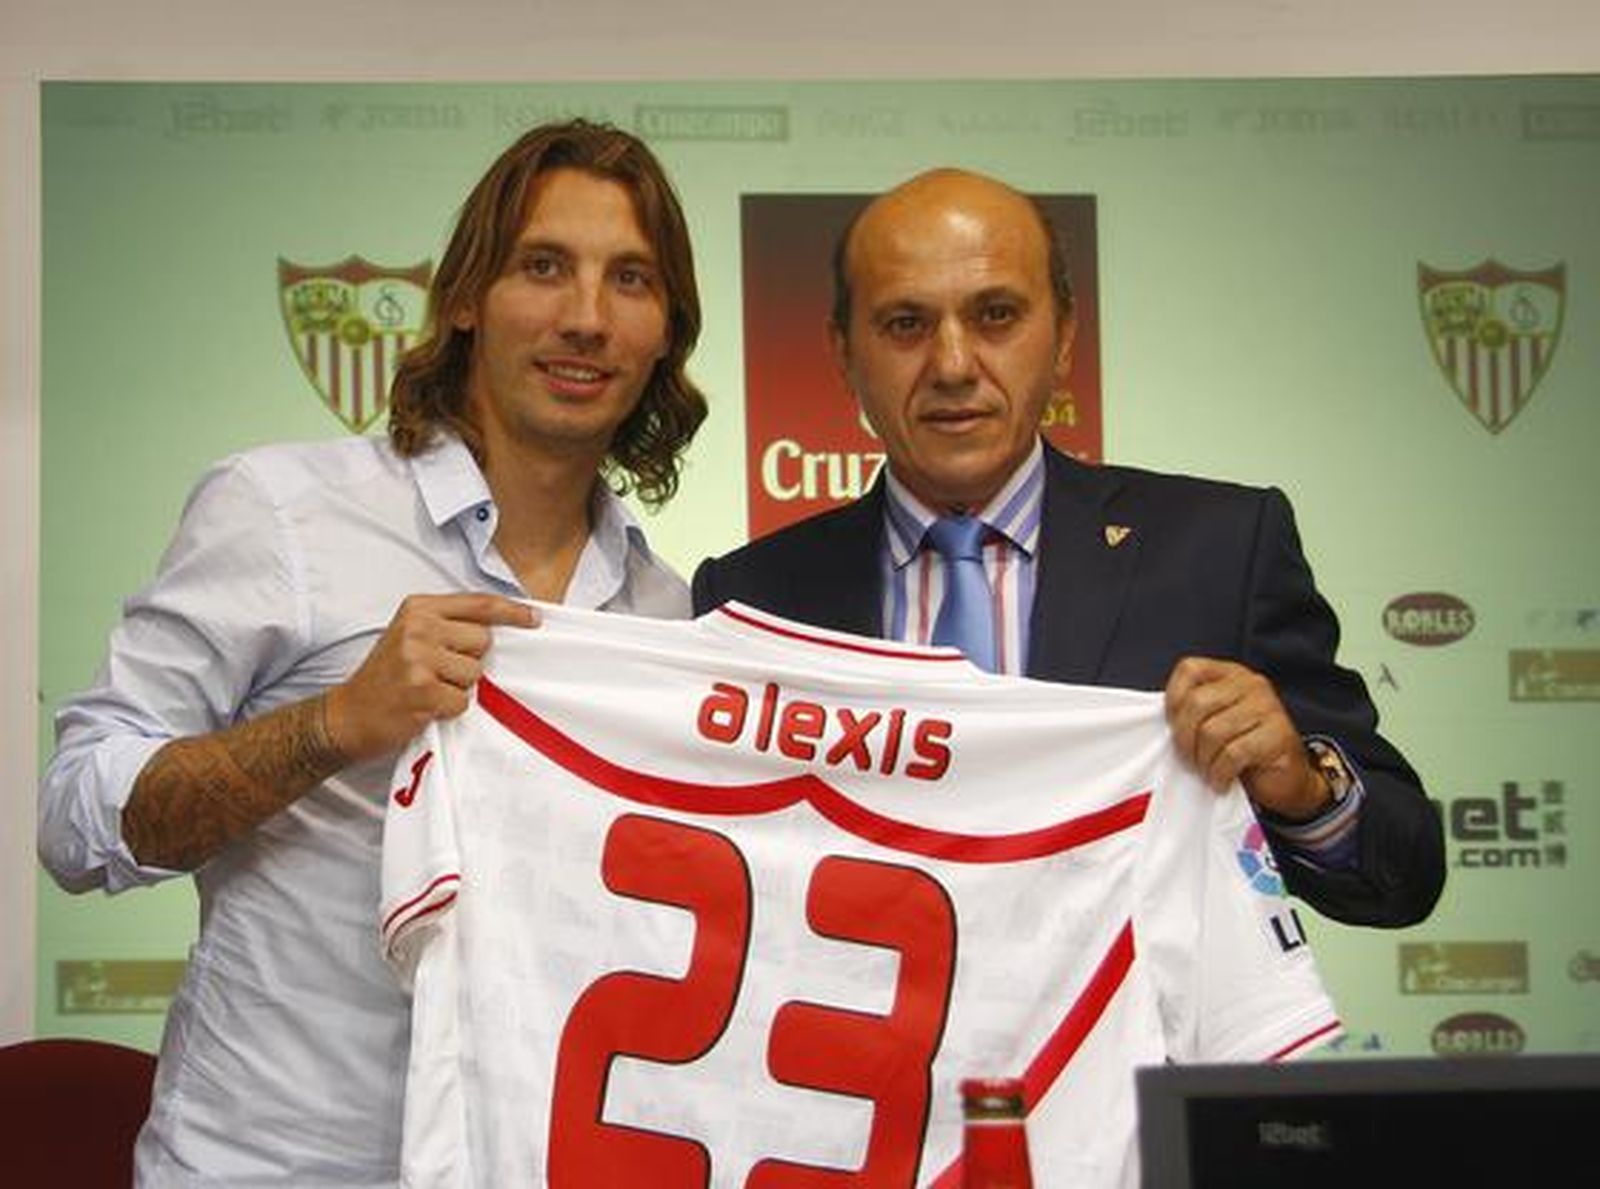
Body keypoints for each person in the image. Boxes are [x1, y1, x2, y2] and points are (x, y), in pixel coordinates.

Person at [38, 118, 707, 1185]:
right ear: (463, 298)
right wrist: (332, 725)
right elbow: (76, 817)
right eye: (544, 266)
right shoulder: (283, 512)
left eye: (629, 280)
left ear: (666, 330)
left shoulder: (667, 619)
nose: (585, 318)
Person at [693, 167, 1443, 928]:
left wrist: (1301, 787)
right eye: (906, 325)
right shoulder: (752, 599)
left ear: (1064, 338)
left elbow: (1405, 875)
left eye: (995, 315)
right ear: (845, 354)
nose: (953, 365)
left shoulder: (1221, 550)